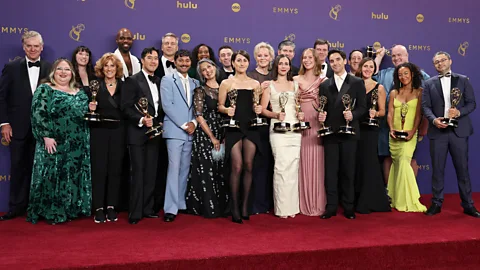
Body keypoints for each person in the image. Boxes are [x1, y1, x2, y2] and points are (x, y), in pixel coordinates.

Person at [27, 58, 91, 224]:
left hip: (77, 143)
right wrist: (46, 136)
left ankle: (72, 208)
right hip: (54, 142)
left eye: (67, 70)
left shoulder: (80, 92)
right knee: (53, 174)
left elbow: (84, 115)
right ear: (53, 72)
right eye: (59, 69)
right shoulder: (45, 89)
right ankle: (51, 210)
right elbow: (38, 114)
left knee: (73, 174)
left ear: (72, 73)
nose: (63, 73)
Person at [0, 31, 51, 221]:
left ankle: (37, 207)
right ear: (23, 47)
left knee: (41, 170)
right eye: (29, 46)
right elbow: (2, 97)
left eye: (36, 46)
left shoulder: (50, 68)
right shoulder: (11, 67)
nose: (32, 49)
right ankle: (15, 207)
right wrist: (4, 123)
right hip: (18, 128)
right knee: (18, 167)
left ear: (42, 47)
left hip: (43, 130)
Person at [422, 51, 480, 218]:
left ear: (450, 61)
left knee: (462, 169)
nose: (440, 64)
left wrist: (459, 112)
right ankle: (436, 203)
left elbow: (472, 103)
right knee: (437, 170)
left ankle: (468, 204)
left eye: (443, 60)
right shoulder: (428, 83)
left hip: (459, 131)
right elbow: (425, 107)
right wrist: (434, 120)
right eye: (436, 62)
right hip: (438, 131)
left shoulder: (463, 80)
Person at [318, 49, 367, 220]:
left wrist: (353, 115)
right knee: (330, 172)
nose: (335, 63)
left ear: (345, 61)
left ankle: (348, 206)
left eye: (338, 59)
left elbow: (363, 107)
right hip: (331, 133)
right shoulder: (325, 84)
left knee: (348, 171)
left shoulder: (357, 82)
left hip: (349, 133)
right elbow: (323, 107)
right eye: (332, 61)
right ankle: (331, 207)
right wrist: (321, 116)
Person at [218, 50, 263, 224]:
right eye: (239, 60)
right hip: (233, 127)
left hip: (251, 126)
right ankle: (234, 207)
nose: (242, 63)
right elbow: (220, 106)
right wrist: (226, 110)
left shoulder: (255, 84)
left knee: (249, 166)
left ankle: (245, 206)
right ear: (233, 63)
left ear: (248, 63)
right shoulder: (226, 83)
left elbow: (257, 106)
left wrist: (258, 110)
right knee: (236, 166)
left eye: (245, 60)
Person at [374, 45, 430, 182]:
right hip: (386, 126)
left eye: (400, 55)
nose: (396, 58)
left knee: (410, 158)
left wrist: (423, 126)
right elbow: (369, 75)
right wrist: (379, 57)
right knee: (388, 158)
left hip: (411, 126)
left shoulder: (421, 75)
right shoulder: (385, 73)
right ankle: (390, 194)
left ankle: (410, 194)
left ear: (407, 55)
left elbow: (428, 101)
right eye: (393, 56)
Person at [121, 47, 164, 225]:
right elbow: (125, 106)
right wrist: (140, 120)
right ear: (142, 60)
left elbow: (161, 107)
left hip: (155, 134)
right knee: (137, 172)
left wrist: (159, 122)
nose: (153, 61)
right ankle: (135, 212)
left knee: (151, 172)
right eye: (149, 58)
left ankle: (148, 208)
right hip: (137, 134)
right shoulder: (132, 81)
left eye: (156, 58)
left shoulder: (161, 81)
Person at [260, 55, 302, 218]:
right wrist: (276, 114)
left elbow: (297, 106)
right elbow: (263, 109)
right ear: (276, 66)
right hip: (278, 129)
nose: (283, 66)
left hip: (294, 129)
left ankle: (293, 208)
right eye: (281, 63)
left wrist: (300, 114)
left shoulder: (296, 85)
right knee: (281, 167)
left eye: (287, 63)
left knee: (293, 166)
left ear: (290, 66)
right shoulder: (269, 85)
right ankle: (282, 208)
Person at [186, 58, 228, 218]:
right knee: (207, 170)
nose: (207, 71)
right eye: (203, 70)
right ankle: (209, 208)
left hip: (224, 132)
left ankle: (223, 207)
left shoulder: (226, 87)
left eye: (209, 67)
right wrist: (212, 137)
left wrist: (223, 136)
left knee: (221, 170)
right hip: (206, 135)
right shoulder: (200, 90)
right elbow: (198, 116)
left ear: (215, 68)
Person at [161, 49, 199, 222]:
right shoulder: (167, 79)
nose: (184, 64)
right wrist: (184, 125)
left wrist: (194, 123)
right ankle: (170, 208)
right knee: (173, 169)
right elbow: (167, 105)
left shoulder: (195, 83)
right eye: (181, 61)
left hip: (191, 131)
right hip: (175, 131)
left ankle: (180, 203)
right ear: (175, 62)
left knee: (184, 169)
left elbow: (198, 108)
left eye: (187, 61)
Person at [89, 53, 125, 223]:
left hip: (119, 132)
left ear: (117, 68)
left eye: (112, 66)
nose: (109, 69)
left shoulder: (125, 86)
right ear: (101, 69)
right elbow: (87, 114)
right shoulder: (94, 86)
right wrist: (90, 108)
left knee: (115, 170)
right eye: (106, 66)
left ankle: (111, 206)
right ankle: (98, 207)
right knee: (99, 169)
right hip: (99, 132)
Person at [386, 63, 427, 212]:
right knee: (397, 164)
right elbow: (390, 113)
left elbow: (418, 115)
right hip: (394, 135)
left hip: (410, 134)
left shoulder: (419, 92)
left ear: (412, 74)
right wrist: (391, 129)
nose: (403, 77)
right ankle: (396, 198)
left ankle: (410, 200)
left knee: (404, 161)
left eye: (406, 73)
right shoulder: (394, 93)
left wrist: (413, 131)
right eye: (400, 75)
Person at [354, 58, 391, 213]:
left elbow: (383, 111)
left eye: (371, 67)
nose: (367, 69)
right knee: (356, 164)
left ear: (374, 70)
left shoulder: (379, 87)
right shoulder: (354, 84)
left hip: (370, 130)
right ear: (360, 67)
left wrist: (375, 113)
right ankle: (355, 198)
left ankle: (371, 201)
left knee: (369, 163)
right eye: (365, 66)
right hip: (355, 128)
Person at [294, 48, 327, 216]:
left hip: (317, 123)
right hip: (299, 124)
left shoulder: (324, 80)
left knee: (318, 162)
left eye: (310, 57)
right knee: (301, 161)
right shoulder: (294, 79)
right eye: (304, 57)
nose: (306, 60)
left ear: (316, 59)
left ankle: (317, 201)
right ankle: (301, 202)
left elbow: (328, 104)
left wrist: (323, 117)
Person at [152, 32, 179, 213]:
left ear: (177, 47)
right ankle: (156, 203)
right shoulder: (153, 67)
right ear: (162, 47)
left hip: (180, 126)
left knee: (177, 166)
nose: (169, 46)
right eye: (166, 43)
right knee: (159, 165)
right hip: (158, 124)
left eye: (172, 43)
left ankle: (176, 202)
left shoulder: (185, 68)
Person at [248, 42, 275, 214]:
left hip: (274, 125)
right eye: (260, 55)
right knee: (257, 165)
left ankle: (271, 202)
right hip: (255, 126)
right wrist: (258, 90)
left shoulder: (276, 74)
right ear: (255, 57)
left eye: (266, 55)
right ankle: (257, 203)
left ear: (271, 57)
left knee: (272, 165)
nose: (263, 58)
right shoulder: (250, 76)